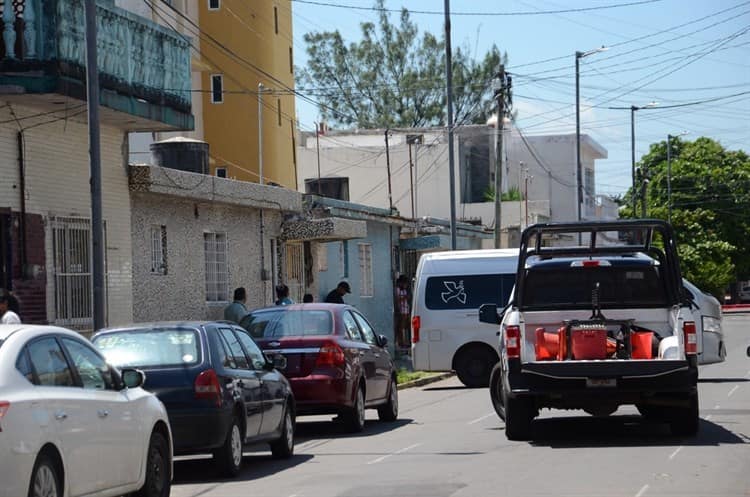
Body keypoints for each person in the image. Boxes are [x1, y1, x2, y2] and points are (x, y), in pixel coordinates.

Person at [394, 275, 412, 348]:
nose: (406, 285)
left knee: (408, 327)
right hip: (401, 311)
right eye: (405, 284)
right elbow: (397, 300)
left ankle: (409, 341)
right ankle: (401, 343)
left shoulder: (404, 290)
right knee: (400, 328)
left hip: (406, 310)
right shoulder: (397, 289)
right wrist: (405, 297)